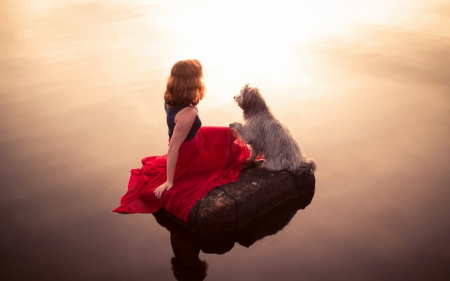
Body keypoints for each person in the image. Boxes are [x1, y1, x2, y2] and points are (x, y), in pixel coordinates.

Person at [113, 59, 250, 222]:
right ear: (192, 82)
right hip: (190, 155)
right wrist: (169, 181)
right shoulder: (188, 113)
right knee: (231, 156)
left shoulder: (170, 99)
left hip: (194, 138)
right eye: (198, 77)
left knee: (230, 133)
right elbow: (173, 148)